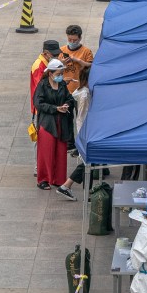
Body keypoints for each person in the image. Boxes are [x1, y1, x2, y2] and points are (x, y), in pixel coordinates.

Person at [33, 59, 74, 190]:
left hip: (61, 122)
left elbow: (69, 97)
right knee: (46, 151)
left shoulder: (62, 84)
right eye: (58, 73)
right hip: (47, 123)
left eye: (61, 73)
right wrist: (55, 108)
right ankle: (43, 179)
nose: (60, 75)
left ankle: (58, 179)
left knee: (61, 151)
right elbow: (38, 103)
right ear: (50, 73)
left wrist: (67, 104)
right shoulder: (43, 85)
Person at [55, 67, 91, 201]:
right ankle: (67, 185)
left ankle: (71, 187)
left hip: (83, 130)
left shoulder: (80, 90)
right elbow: (82, 115)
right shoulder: (85, 94)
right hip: (85, 131)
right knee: (88, 162)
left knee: (88, 162)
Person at [58, 25, 94, 96]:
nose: (72, 42)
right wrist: (61, 63)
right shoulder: (61, 50)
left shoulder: (86, 51)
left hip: (79, 89)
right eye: (69, 39)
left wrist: (78, 60)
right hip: (64, 89)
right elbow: (54, 70)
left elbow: (91, 66)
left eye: (75, 40)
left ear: (80, 38)